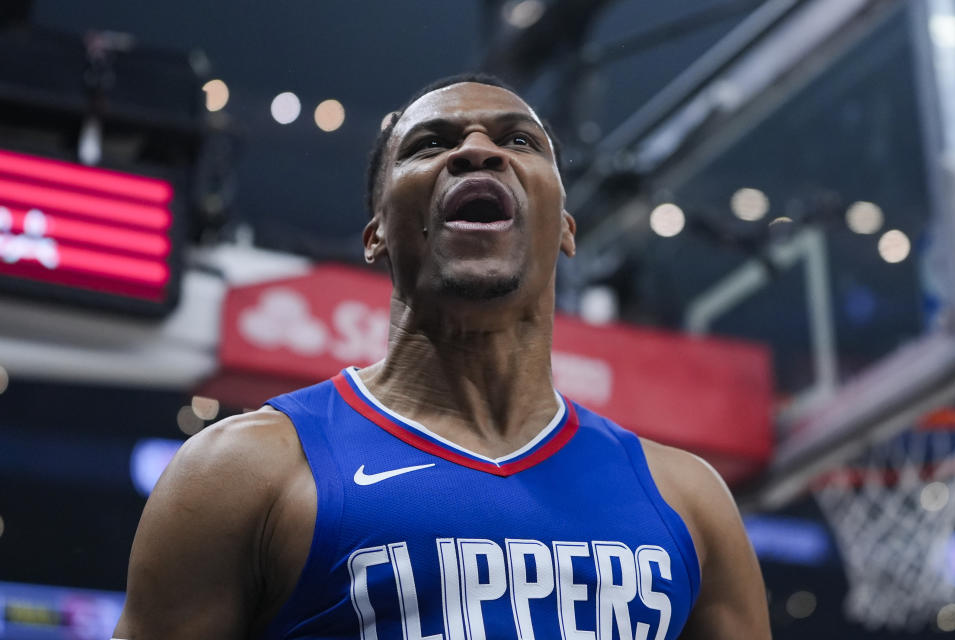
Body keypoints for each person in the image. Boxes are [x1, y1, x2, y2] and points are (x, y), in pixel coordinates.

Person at [113, 73, 771, 640]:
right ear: (375, 234)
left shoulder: (688, 500)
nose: (478, 151)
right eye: (432, 144)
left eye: (519, 140)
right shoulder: (243, 471)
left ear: (566, 227)